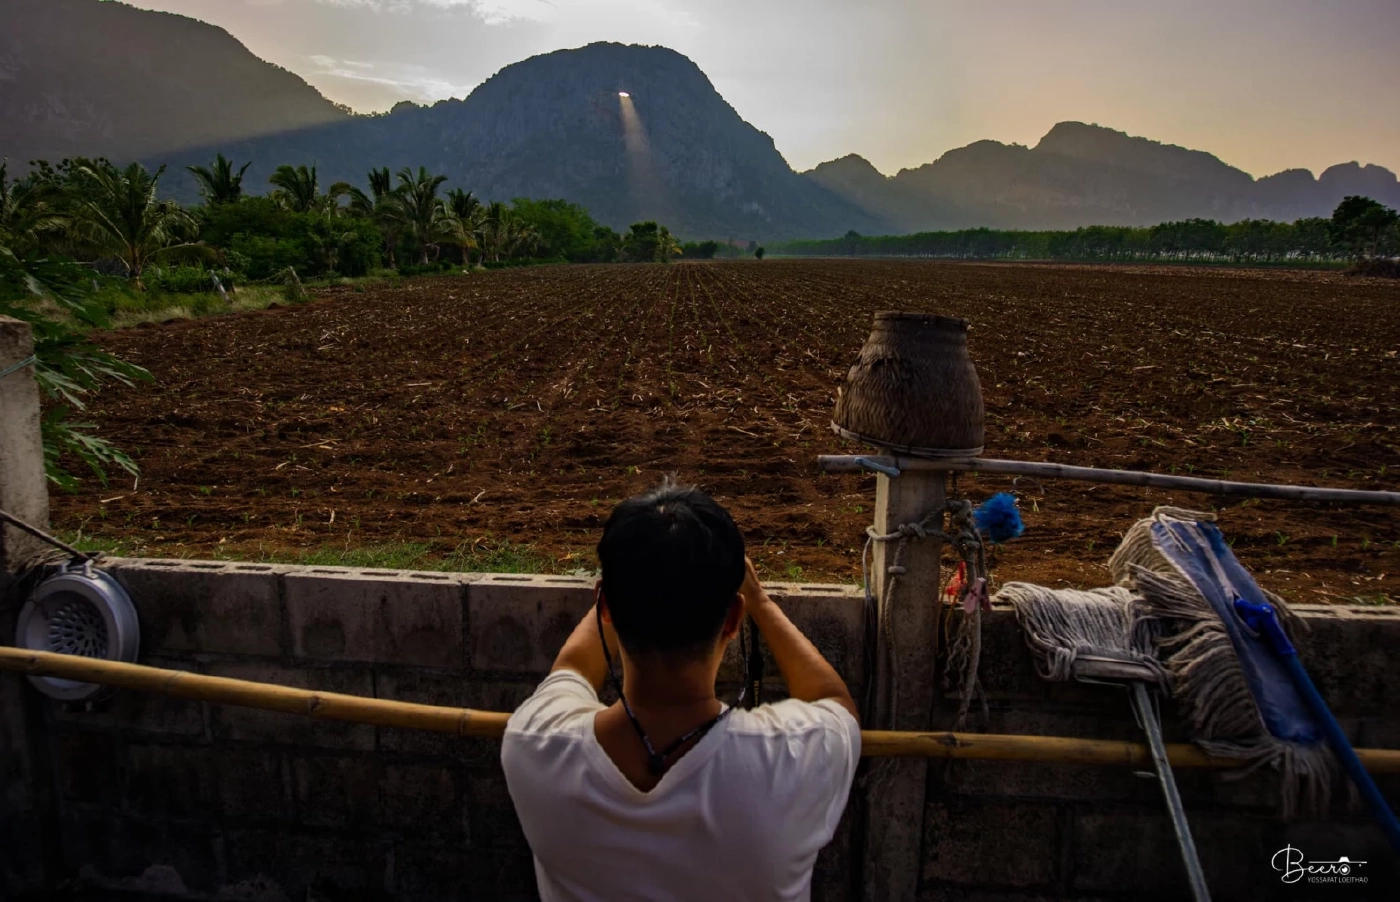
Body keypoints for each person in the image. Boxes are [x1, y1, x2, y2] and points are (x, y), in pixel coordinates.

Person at [501, 482, 861, 902]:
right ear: (732, 619)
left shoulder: (534, 743)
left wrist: (631, 581)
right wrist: (760, 602)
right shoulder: (790, 757)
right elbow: (834, 702)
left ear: (605, 609)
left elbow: (573, 668)